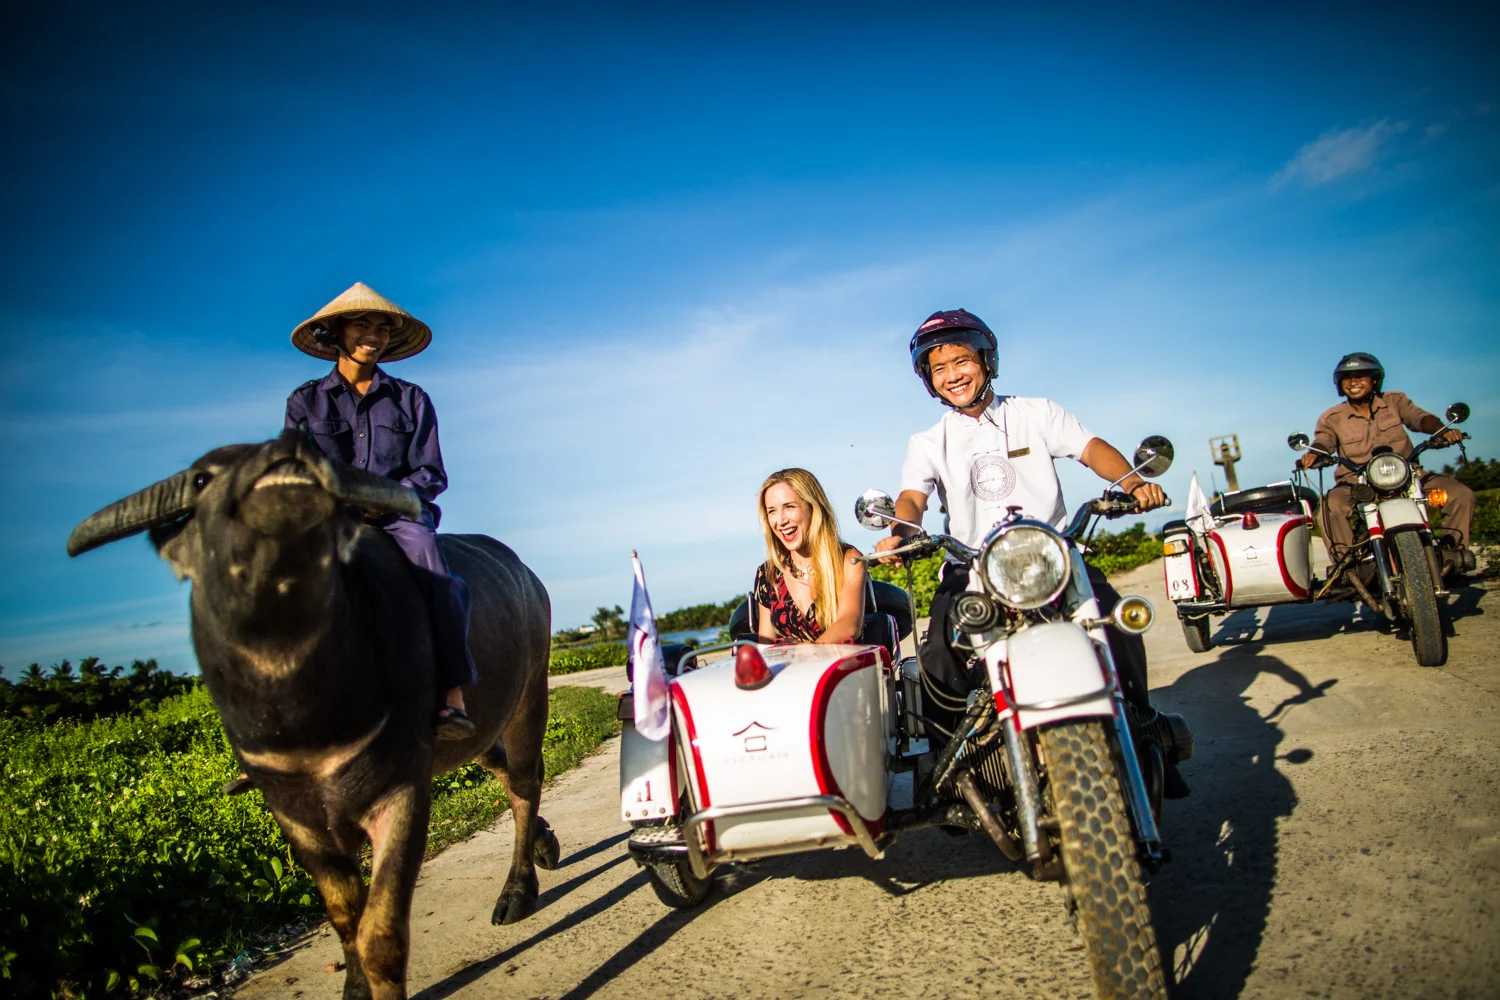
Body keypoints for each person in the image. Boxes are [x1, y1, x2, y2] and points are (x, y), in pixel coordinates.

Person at [874, 308, 1190, 794]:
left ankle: (1144, 731)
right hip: (973, 566)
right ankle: (951, 771)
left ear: (987, 360)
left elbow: (1090, 448)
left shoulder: (1037, 413)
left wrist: (1132, 482)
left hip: (1053, 557)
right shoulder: (929, 441)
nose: (952, 375)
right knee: (937, 651)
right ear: (928, 380)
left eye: (962, 361)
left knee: (1115, 623)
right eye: (939, 369)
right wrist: (901, 530)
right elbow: (913, 497)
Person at [285, 282, 478, 740]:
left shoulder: (412, 398)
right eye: (362, 324)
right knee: (278, 580)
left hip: (401, 515)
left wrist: (386, 498)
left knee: (437, 575)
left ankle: (452, 695)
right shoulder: (305, 401)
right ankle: (286, 710)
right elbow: (297, 471)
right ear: (336, 332)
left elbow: (430, 472)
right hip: (332, 518)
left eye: (382, 328)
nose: (373, 335)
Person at [1300, 352, 1475, 576]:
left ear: (1375, 379)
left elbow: (1419, 418)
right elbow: (1324, 440)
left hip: (1409, 475)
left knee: (1461, 495)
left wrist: (1442, 430)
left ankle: (1454, 556)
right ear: (1339, 384)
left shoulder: (1394, 401)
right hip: (1357, 482)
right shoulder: (1332, 417)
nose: (1353, 382)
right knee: (1329, 507)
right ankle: (1348, 569)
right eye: (1347, 378)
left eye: (1360, 376)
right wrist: (1314, 453)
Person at [753, 469, 868, 643]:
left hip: (843, 661)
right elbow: (765, 643)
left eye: (789, 507)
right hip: (790, 662)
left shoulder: (848, 560)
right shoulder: (768, 573)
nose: (780, 521)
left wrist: (809, 652)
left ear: (813, 508)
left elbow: (850, 624)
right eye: (772, 511)